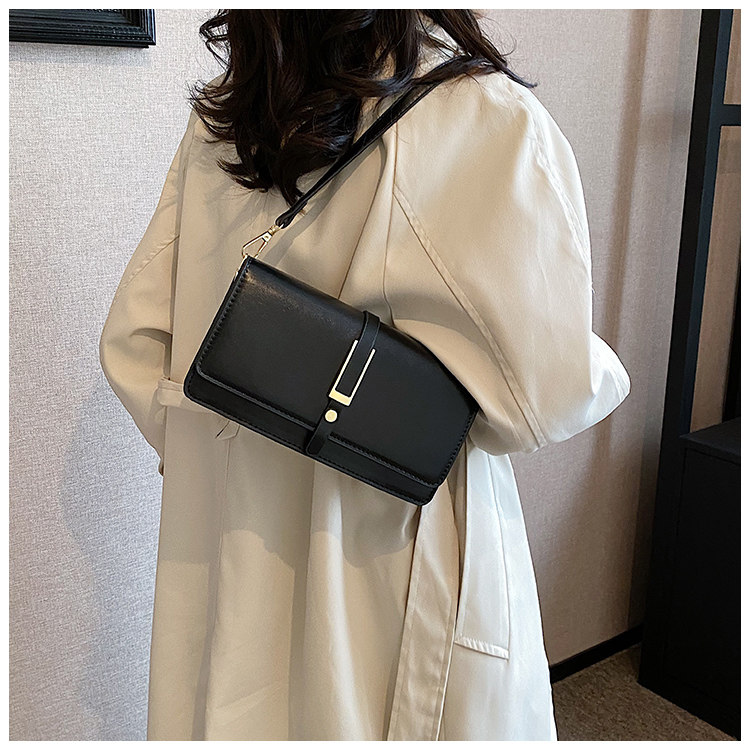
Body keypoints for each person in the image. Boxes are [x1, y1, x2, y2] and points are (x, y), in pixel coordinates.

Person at [99, 10, 629, 741]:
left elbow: (137, 345)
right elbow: (544, 395)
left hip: (229, 539)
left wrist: (237, 451)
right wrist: (608, 371)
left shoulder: (231, 119)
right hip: (387, 559)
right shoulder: (478, 117)